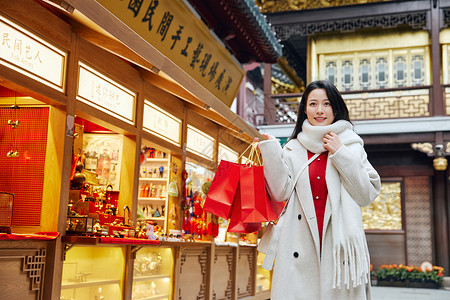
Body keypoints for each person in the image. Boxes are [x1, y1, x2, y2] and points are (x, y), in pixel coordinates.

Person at [258, 80, 381, 300]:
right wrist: (271, 151)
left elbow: (366, 194)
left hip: (339, 248)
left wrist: (340, 152)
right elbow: (280, 192)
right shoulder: (293, 148)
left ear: (335, 107)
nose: (320, 110)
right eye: (313, 104)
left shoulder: (350, 144)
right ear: (305, 109)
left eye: (326, 104)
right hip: (299, 245)